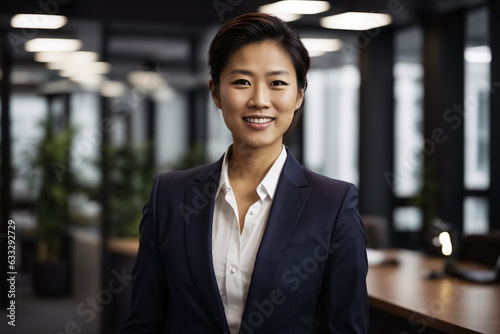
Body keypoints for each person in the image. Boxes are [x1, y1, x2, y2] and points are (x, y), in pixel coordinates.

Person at [120, 12, 368, 334]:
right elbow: (143, 321)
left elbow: (347, 327)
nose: (259, 100)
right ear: (215, 92)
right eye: (242, 82)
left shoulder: (333, 203)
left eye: (277, 83)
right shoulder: (169, 194)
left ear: (299, 96)